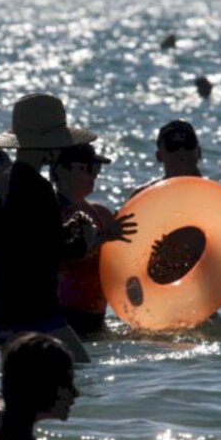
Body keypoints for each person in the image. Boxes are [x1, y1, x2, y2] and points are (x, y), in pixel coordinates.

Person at [0, 93, 98, 363]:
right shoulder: (39, 187)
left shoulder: (8, 180)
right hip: (36, 310)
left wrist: (66, 228)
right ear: (48, 145)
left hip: (7, 308)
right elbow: (52, 254)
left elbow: (26, 241)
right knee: (80, 371)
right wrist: (86, 240)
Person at [50, 144, 138, 335]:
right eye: (87, 169)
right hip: (62, 318)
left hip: (97, 318)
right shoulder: (52, 214)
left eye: (97, 169)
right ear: (61, 170)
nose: (95, 175)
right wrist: (104, 237)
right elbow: (61, 257)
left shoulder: (100, 213)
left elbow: (126, 261)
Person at [130, 119, 208, 287]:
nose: (181, 153)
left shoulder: (214, 200)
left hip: (200, 294)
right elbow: (128, 253)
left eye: (187, 146)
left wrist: (181, 255)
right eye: (172, 147)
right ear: (159, 156)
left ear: (199, 152)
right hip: (156, 291)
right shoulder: (142, 197)